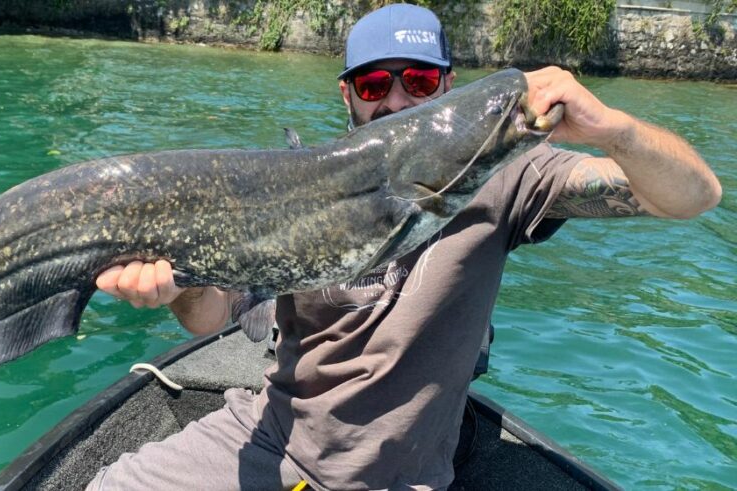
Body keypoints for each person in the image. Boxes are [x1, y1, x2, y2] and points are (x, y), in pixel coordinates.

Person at [88, 4, 722, 490]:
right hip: (273, 433)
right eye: (373, 86)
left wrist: (615, 130)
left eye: (417, 80)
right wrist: (178, 288)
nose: (395, 99)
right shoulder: (296, 183)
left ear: (445, 85)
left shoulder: (509, 174)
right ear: (347, 94)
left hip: (400, 472)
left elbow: (693, 196)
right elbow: (211, 317)